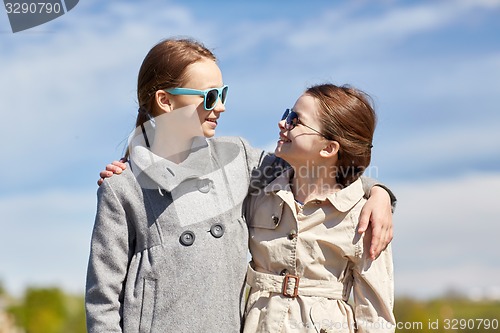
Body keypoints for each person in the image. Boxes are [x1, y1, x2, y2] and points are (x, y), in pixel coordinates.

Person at [87, 37, 395, 333]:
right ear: (165, 101)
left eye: (223, 95)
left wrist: (378, 192)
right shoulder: (124, 187)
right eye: (210, 97)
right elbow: (103, 298)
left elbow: (320, 169)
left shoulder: (237, 159)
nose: (220, 107)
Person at [243, 84, 395, 333]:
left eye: (296, 121)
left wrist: (378, 194)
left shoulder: (363, 217)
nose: (283, 124)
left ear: (328, 148)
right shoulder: (259, 195)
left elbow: (375, 319)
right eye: (286, 115)